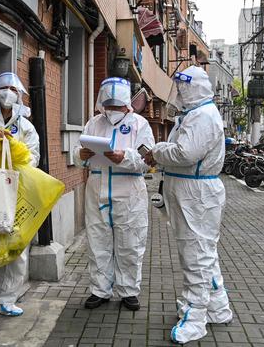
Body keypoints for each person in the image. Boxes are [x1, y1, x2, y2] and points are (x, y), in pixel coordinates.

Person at [144, 66, 234, 344]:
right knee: (204, 253)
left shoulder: (202, 116)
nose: (179, 94)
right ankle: (218, 307)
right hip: (190, 191)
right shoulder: (195, 115)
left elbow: (186, 153)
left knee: (196, 255)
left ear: (192, 88)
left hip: (195, 192)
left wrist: (156, 151)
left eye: (182, 88)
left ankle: (195, 318)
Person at [73, 77, 154, 311]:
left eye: (118, 106)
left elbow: (146, 160)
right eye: (109, 106)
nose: (113, 111)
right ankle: (100, 290)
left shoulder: (140, 125)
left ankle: (128, 291)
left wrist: (124, 157)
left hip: (128, 191)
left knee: (130, 243)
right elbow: (77, 158)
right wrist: (82, 155)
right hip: (97, 189)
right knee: (98, 242)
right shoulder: (94, 123)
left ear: (127, 104)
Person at [0, 72, 40, 317]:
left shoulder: (25, 125)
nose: (9, 93)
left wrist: (15, 148)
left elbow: (34, 157)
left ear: (20, 96)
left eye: (14, 90)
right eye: (5, 88)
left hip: (14, 191)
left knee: (16, 247)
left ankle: (4, 298)